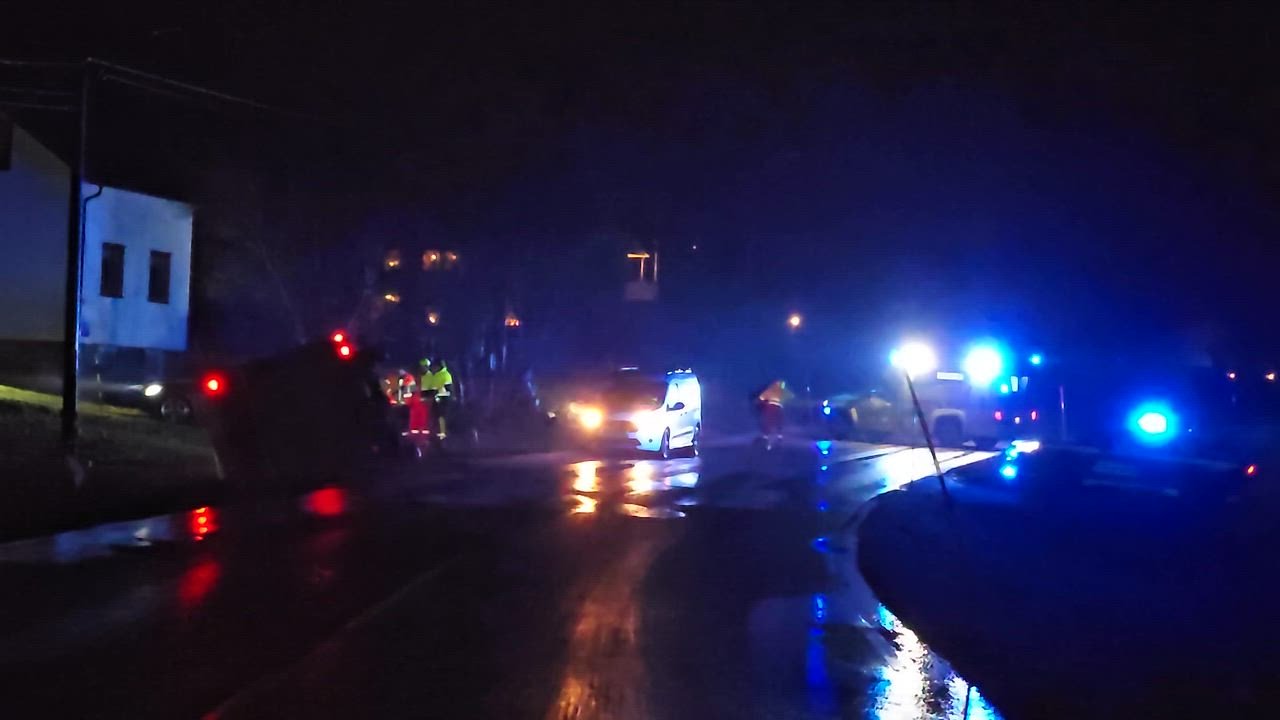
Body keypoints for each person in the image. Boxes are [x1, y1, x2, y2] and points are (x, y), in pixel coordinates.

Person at [423, 358, 454, 439]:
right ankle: (436, 435)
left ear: (438, 366)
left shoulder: (445, 375)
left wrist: (438, 394)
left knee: (442, 417)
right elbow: (433, 388)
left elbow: (449, 391)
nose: (432, 368)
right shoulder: (435, 375)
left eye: (434, 367)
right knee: (435, 417)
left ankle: (443, 435)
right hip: (436, 401)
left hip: (444, 401)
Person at [756, 378, 793, 444]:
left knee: (769, 421)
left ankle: (766, 436)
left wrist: (764, 401)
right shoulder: (781, 391)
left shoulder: (770, 390)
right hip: (777, 407)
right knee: (779, 421)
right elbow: (791, 396)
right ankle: (779, 436)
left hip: (770, 407)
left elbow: (761, 397)